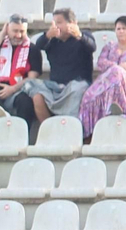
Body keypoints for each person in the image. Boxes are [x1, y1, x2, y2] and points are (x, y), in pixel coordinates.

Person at [9, 8, 94, 136]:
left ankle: (70, 131)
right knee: (32, 87)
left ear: (72, 23)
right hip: (55, 86)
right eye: (53, 23)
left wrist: (79, 35)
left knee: (78, 88)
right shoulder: (52, 40)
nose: (55, 26)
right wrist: (47, 35)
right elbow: (37, 46)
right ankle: (50, 131)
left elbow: (92, 46)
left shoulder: (84, 37)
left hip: (76, 85)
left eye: (59, 22)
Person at [78, 15, 126, 138]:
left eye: (124, 28)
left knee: (117, 73)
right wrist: (118, 66)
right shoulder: (109, 47)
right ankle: (89, 132)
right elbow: (101, 63)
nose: (120, 31)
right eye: (118, 29)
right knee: (89, 96)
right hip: (109, 82)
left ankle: (121, 107)